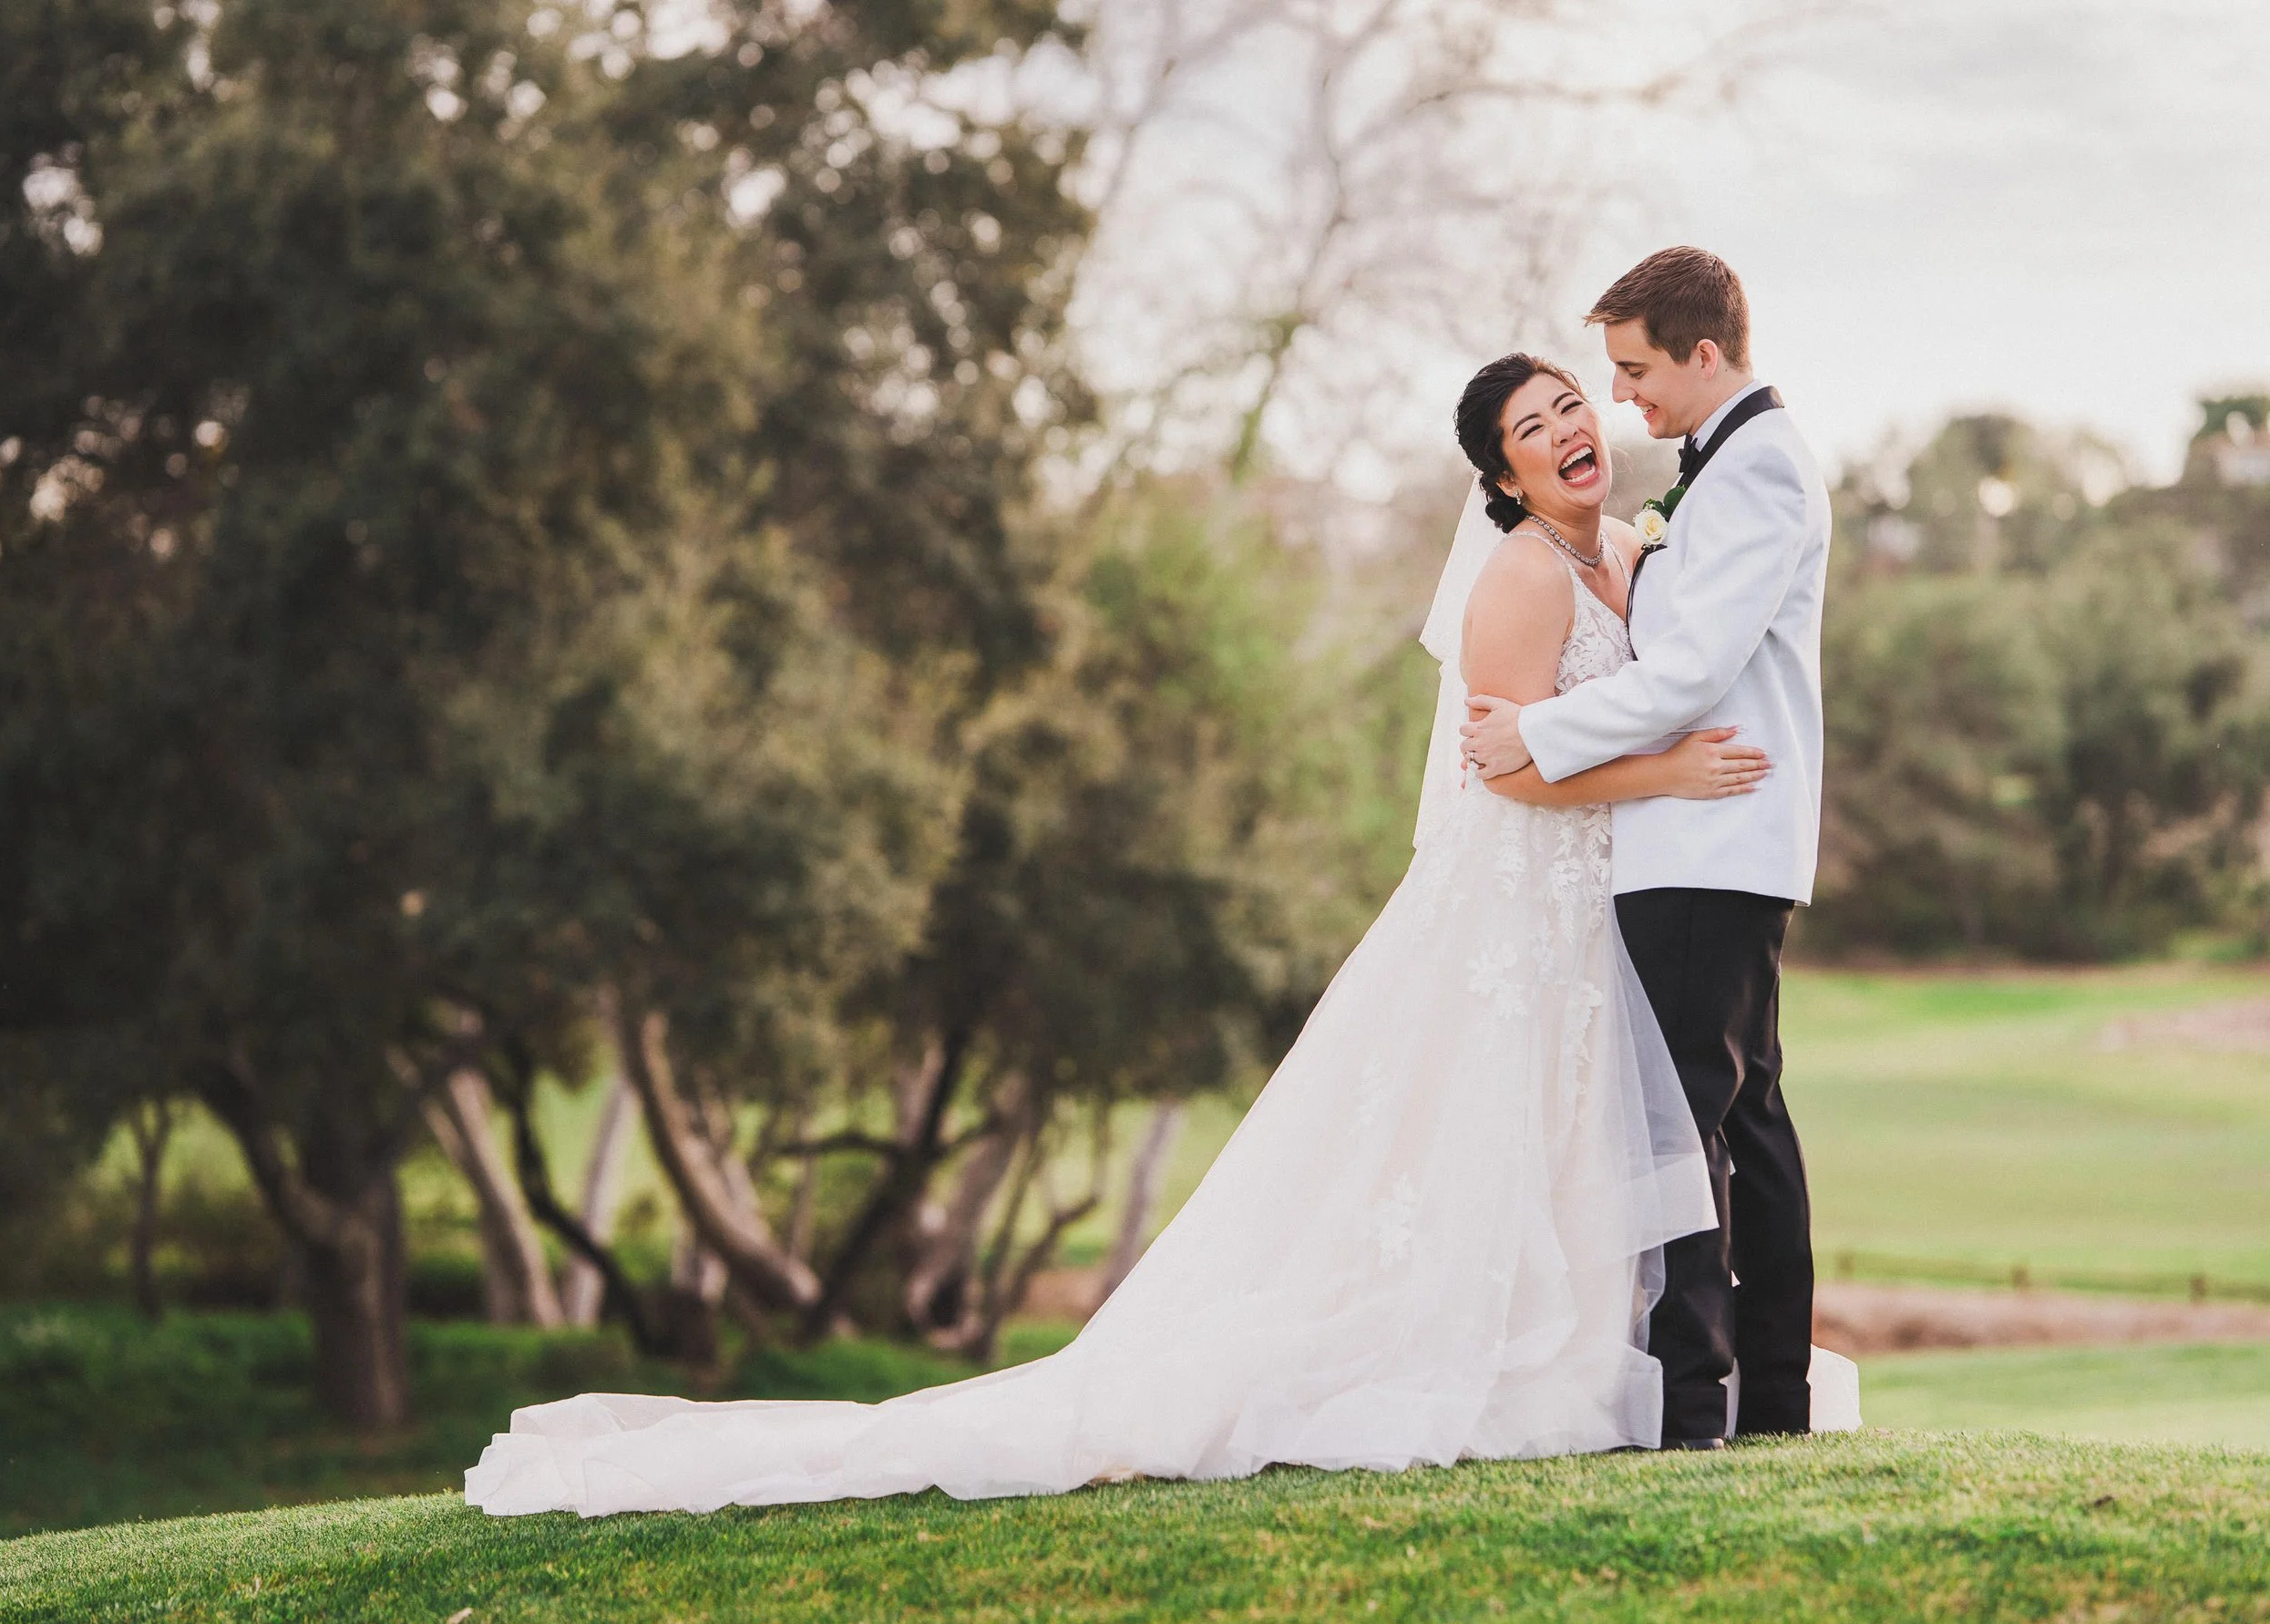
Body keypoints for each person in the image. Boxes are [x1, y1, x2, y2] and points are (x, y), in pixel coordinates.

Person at [463, 339, 1854, 1521]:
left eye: (1573, 406)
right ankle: (1507, 1355)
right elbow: (1507, 767)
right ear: (1497, 478)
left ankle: (1626, 1359)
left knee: (1584, 1137)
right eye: (1533, 426)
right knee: (1490, 1131)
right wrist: (1665, 776)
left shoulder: (1626, 547)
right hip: (1525, 899)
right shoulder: (1521, 580)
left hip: (1608, 907)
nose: (1568, 430)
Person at [1462, 246, 1832, 1447]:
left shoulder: (1758, 469)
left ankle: (1696, 1402)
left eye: (1627, 372)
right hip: (1696, 841)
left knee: (1687, 1132)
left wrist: (1537, 729)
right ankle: (1763, 1399)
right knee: (1740, 1122)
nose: (1620, 398)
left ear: (1703, 352)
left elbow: (1690, 671)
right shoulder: (1704, 484)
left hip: (1706, 842)